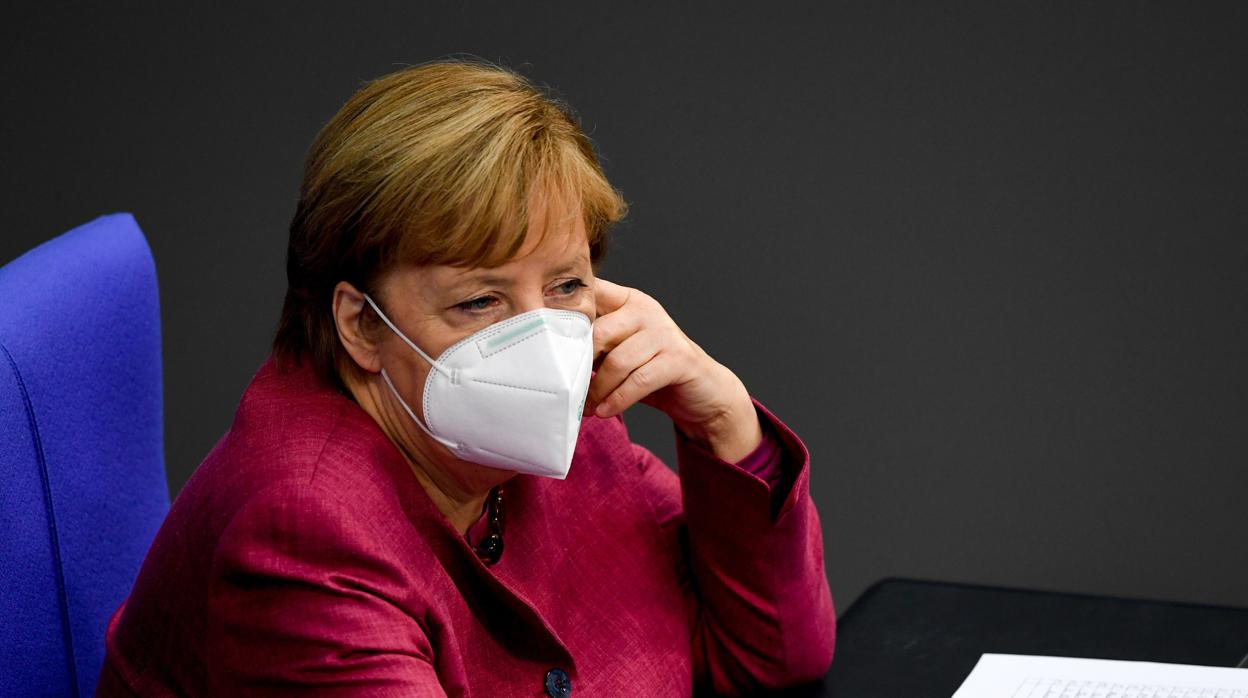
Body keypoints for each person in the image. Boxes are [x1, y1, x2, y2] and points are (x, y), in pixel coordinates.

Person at [97, 60, 835, 697]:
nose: (540, 340)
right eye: (480, 300)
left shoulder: (571, 423)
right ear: (359, 324)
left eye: (568, 286)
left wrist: (724, 427)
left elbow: (773, 657)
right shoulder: (304, 536)